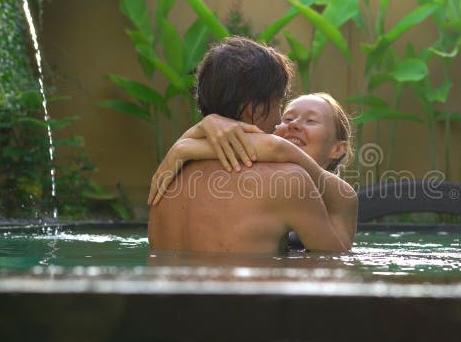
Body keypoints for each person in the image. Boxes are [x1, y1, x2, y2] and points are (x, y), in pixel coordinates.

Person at [148, 37, 357, 254]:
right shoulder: (287, 181)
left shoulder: (166, 178)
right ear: (254, 109)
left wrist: (186, 147)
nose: (280, 119)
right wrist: (278, 148)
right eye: (280, 103)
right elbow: (333, 268)